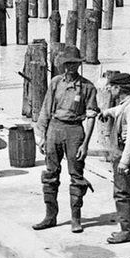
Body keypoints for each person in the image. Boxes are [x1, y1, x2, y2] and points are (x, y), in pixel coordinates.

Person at [32, 45, 98, 233]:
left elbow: (91, 116)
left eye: (74, 64)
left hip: (74, 131)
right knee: (50, 174)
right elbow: (45, 110)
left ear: (79, 65)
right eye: (67, 64)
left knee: (76, 175)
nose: (70, 68)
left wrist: (85, 144)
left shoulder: (88, 87)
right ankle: (50, 216)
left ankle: (76, 219)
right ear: (62, 65)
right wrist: (41, 137)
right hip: (54, 128)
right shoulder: (55, 83)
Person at [100, 72, 130, 244]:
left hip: (125, 154)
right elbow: (119, 110)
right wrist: (108, 112)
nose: (109, 90)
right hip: (124, 153)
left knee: (121, 193)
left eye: (111, 87)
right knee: (127, 191)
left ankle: (126, 231)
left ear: (119, 88)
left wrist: (125, 161)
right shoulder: (127, 105)